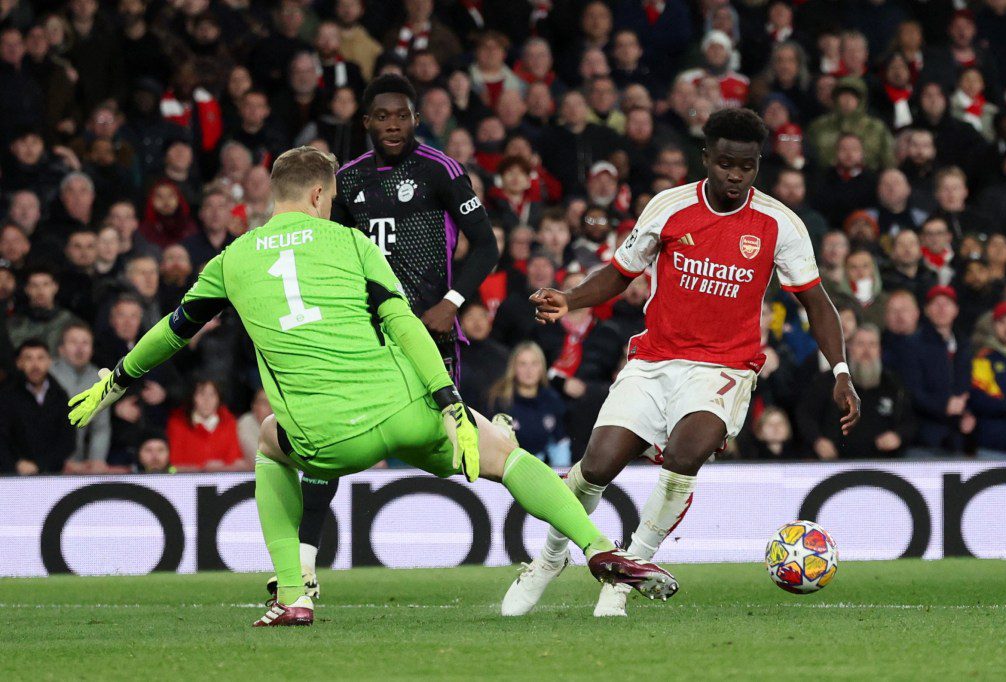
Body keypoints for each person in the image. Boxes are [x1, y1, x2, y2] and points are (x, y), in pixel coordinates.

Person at [67, 145, 674, 627]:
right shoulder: (351, 241)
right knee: (504, 455)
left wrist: (115, 380)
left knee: (271, 442)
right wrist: (449, 404)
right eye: (330, 197)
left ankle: (294, 593)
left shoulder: (231, 258)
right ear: (315, 194)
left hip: (326, 439)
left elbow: (174, 332)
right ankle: (596, 546)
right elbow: (403, 324)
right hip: (405, 408)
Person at [502, 109, 860, 618]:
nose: (736, 176)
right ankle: (548, 560)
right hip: (655, 360)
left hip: (724, 370)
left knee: (684, 456)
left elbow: (816, 302)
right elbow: (622, 271)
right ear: (706, 159)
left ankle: (626, 575)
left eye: (748, 167)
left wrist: (841, 372)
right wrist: (572, 299)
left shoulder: (780, 224)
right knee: (596, 467)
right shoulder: (669, 208)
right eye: (726, 164)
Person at [288, 74, 503, 581]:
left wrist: (451, 303)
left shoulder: (441, 171)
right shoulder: (351, 179)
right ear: (365, 122)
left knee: (452, 446)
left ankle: (506, 454)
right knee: (327, 438)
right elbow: (328, 253)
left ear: (416, 119)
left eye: (401, 115)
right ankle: (303, 568)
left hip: (430, 332)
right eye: (381, 116)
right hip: (365, 337)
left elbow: (487, 246)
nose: (392, 124)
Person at [798, 325, 915, 460]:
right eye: (860, 344)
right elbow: (805, 415)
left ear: (879, 350)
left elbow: (910, 421)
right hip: (834, 463)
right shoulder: (828, 381)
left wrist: (898, 436)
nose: (867, 350)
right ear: (849, 348)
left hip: (883, 463)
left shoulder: (894, 384)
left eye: (872, 344)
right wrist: (817, 441)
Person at [897, 285, 971, 454]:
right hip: (925, 438)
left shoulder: (964, 344)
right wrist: (944, 405)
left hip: (958, 437)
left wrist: (968, 412)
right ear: (927, 310)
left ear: (956, 310)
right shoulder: (913, 345)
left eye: (947, 304)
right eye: (936, 304)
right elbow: (912, 391)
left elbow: (968, 386)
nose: (942, 309)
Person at [0, 339, 75, 474]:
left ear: (49, 362)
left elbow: (67, 441)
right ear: (19, 363)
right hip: (11, 476)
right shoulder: (6, 396)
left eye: (40, 358)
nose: (35, 365)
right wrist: (16, 463)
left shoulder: (60, 396)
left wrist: (40, 465)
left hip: (51, 475)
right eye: (28, 358)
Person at [51, 322, 111, 472]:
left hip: (80, 466)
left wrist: (96, 461)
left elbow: (101, 428)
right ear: (61, 349)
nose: (80, 348)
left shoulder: (100, 379)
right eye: (73, 342)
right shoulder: (48, 374)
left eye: (85, 342)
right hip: (46, 463)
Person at [969, 301, 1006, 458]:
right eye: (1002, 322)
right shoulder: (984, 358)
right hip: (993, 446)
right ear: (994, 326)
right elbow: (977, 397)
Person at [166, 380, 246, 471]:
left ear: (219, 398)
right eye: (201, 394)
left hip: (223, 481)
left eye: (212, 395)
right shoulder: (177, 424)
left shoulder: (229, 422)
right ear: (192, 397)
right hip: (186, 482)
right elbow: (173, 466)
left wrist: (221, 468)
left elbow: (237, 462)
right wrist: (203, 469)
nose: (207, 400)